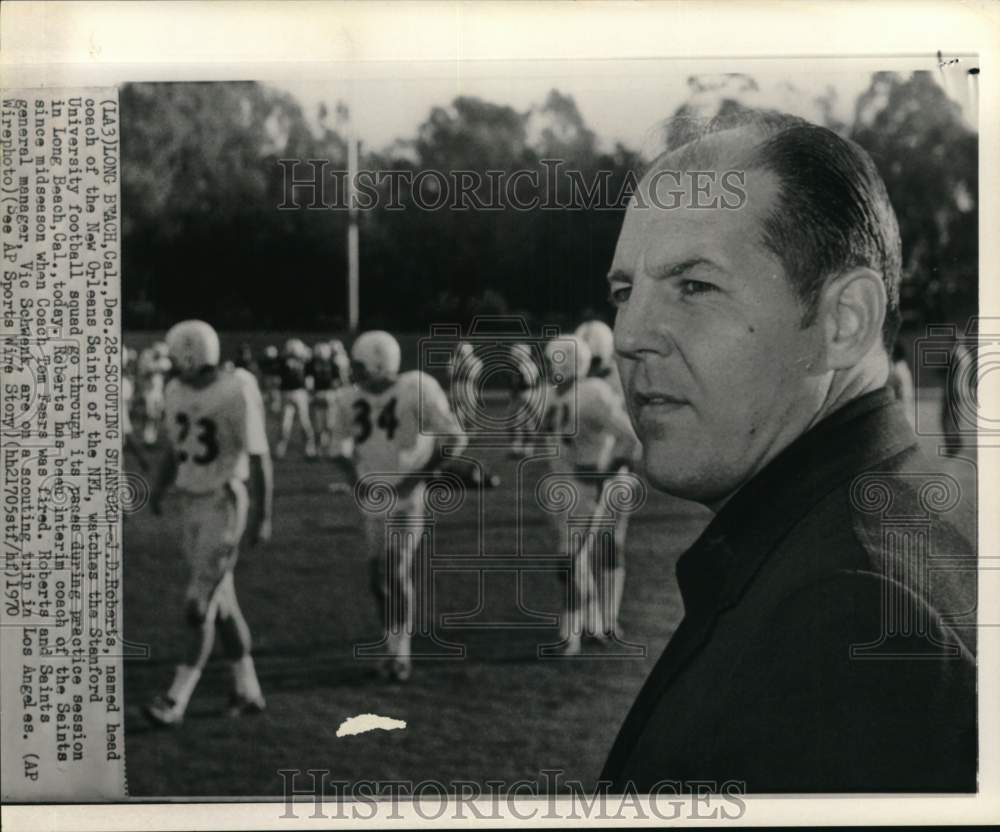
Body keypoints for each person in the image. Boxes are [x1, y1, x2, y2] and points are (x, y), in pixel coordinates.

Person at [601, 113, 976, 793]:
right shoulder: (881, 529)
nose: (629, 336)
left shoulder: (852, 621)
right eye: (625, 293)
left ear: (843, 321)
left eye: (694, 286)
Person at [145, 319, 273, 726]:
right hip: (191, 504)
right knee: (220, 605)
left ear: (188, 353)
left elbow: (259, 457)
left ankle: (175, 700)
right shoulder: (176, 390)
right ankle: (248, 690)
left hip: (224, 504)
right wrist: (158, 487)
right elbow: (174, 448)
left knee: (198, 607)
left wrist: (262, 515)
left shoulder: (237, 390)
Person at [326, 330, 468, 681]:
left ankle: (399, 654)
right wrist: (354, 476)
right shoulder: (347, 398)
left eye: (359, 364)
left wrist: (417, 477)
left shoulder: (415, 388)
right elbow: (337, 448)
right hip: (373, 497)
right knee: (377, 581)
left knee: (395, 568)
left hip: (406, 498)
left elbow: (456, 438)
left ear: (377, 362)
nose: (352, 370)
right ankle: (390, 643)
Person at [541, 335, 640, 655]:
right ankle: (592, 626)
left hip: (586, 491)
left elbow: (631, 437)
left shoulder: (594, 393)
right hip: (563, 489)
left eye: (553, 360)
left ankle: (569, 637)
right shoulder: (550, 395)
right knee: (575, 562)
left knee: (568, 561)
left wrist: (605, 471)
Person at [574, 319, 634, 638]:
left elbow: (632, 434)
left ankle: (607, 618)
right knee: (578, 547)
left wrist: (612, 469)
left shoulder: (621, 378)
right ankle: (590, 617)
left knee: (611, 544)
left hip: (611, 471)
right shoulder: (580, 381)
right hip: (582, 471)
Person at [276, 338, 317, 459]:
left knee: (304, 422)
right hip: (287, 392)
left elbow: (311, 361)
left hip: (300, 392)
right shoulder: (283, 360)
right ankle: (281, 447)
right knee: (284, 423)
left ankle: (309, 447)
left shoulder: (304, 359)